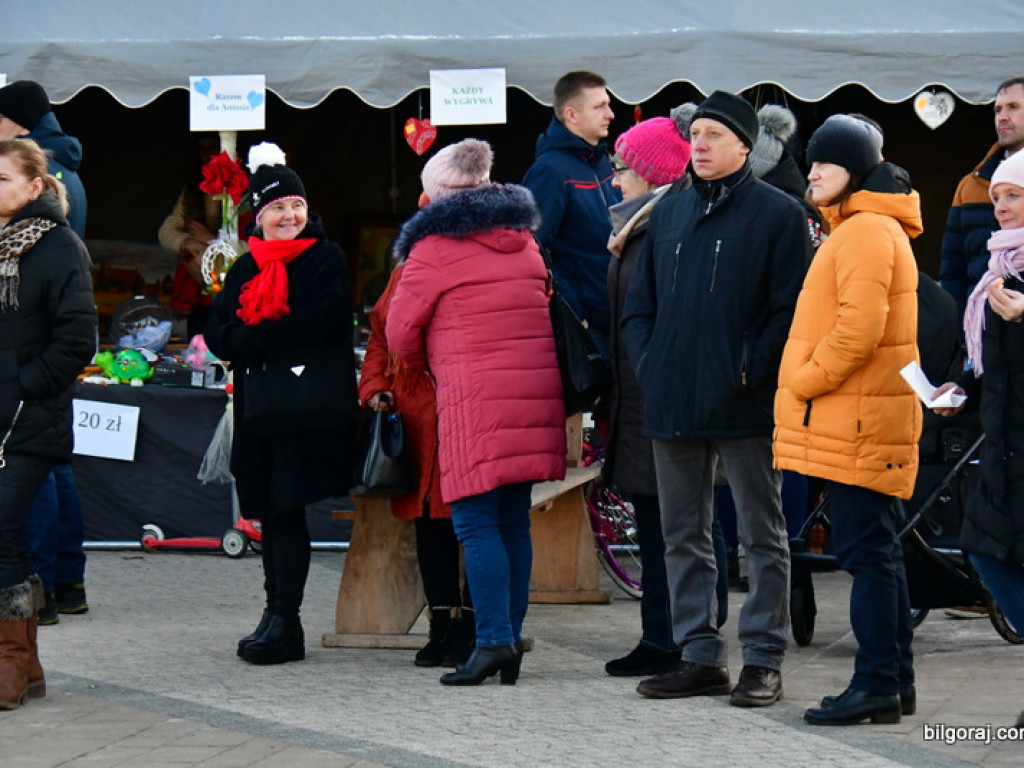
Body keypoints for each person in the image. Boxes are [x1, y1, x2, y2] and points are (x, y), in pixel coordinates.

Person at [622, 91, 810, 707]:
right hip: (672, 398)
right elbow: (639, 308)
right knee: (683, 534)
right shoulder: (668, 213)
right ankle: (700, 655)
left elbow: (790, 311)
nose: (698, 144)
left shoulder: (778, 214)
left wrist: (750, 369)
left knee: (762, 535)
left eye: (712, 135)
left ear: (744, 145)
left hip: (744, 400)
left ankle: (763, 658)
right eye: (694, 134)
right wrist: (652, 366)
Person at [387, 139, 566, 686]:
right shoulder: (525, 239)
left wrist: (436, 363)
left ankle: (490, 642)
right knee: (513, 518)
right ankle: (508, 639)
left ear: (436, 195)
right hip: (534, 395)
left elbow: (399, 334)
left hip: (474, 399)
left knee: (472, 521)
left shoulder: (434, 248)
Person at [774, 115, 923, 726]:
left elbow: (856, 333)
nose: (812, 171)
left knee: (867, 555)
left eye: (826, 162)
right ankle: (894, 682)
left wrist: (802, 380)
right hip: (860, 417)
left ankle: (876, 684)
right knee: (877, 551)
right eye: (809, 160)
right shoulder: (863, 227)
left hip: (856, 419)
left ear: (856, 169)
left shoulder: (864, 231)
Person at [204, 142, 358, 665]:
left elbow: (328, 320)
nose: (290, 215)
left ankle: (285, 619)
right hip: (260, 408)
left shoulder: (325, 257)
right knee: (269, 510)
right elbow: (218, 328)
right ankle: (275, 616)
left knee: (287, 506)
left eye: (296, 205)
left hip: (305, 407)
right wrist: (245, 339)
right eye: (277, 207)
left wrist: (256, 339)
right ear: (259, 215)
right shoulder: (244, 268)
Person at [0, 138, 97, 709]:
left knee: (2, 530)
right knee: (7, 535)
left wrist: (24, 386)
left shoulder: (58, 245)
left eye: (3, 179)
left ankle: (10, 661)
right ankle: (27, 664)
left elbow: (78, 339)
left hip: (28, 421)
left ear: (35, 187)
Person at [933, 147, 1024, 728]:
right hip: (1003, 443)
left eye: (1014, 195)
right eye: (997, 197)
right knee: (985, 551)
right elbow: (985, 358)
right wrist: (958, 385)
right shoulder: (998, 268)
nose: (1002, 207)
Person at [603, 116, 692, 677]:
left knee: (676, 531)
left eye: (621, 168)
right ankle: (660, 637)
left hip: (659, 402)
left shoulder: (664, 227)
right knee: (658, 529)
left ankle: (677, 641)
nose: (614, 180)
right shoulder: (641, 224)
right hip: (639, 401)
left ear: (651, 172)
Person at [358, 265, 475, 668]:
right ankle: (441, 622)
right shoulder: (405, 270)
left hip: (467, 411)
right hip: (417, 418)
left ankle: (474, 628)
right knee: (430, 523)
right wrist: (374, 387)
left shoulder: (483, 266)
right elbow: (378, 333)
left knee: (476, 523)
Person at [522, 71, 621, 357]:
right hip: (587, 328)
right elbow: (533, 251)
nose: (611, 114)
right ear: (571, 115)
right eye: (599, 106)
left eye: (608, 103)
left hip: (618, 316)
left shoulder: (603, 161)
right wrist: (577, 314)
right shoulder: (550, 172)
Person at [941, 78, 1024, 324]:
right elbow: (953, 271)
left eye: (1013, 107)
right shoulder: (970, 187)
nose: (1002, 117)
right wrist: (957, 335)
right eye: (998, 110)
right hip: (980, 339)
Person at [158, 133, 222, 340]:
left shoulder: (243, 189)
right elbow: (167, 229)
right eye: (203, 149)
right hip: (200, 288)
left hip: (234, 290)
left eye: (214, 147)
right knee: (199, 349)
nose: (208, 154)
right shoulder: (194, 188)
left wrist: (211, 240)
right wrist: (186, 243)